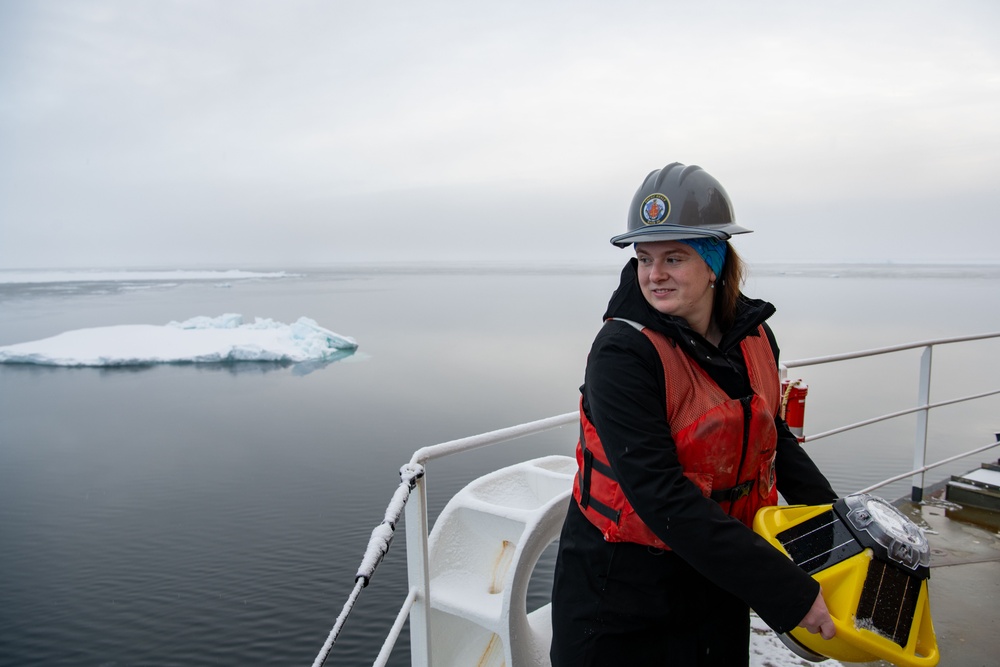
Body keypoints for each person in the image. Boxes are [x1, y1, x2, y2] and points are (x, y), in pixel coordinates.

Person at [550, 162, 839, 666]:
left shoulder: (755, 336)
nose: (654, 274)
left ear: (715, 262)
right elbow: (660, 495)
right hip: (622, 589)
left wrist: (835, 533)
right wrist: (787, 591)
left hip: (716, 571)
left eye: (674, 257)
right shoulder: (623, 354)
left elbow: (775, 441)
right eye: (643, 258)